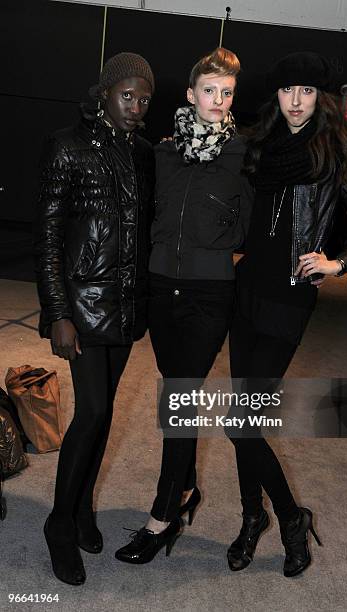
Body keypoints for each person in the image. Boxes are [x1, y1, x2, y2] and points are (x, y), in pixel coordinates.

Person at [225, 52, 347, 577]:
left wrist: (338, 262)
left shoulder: (334, 152)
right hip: (246, 288)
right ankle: (253, 517)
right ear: (276, 95)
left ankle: (290, 518)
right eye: (288, 91)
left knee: (241, 424)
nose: (296, 102)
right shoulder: (260, 144)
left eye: (308, 92)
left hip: (290, 296)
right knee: (242, 420)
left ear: (322, 98)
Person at [115, 47, 253, 564]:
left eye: (227, 92)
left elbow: (251, 225)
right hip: (159, 290)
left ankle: (162, 514)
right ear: (192, 94)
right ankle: (189, 487)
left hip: (208, 294)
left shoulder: (243, 153)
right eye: (210, 90)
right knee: (177, 391)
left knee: (178, 400)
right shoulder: (163, 153)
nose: (218, 100)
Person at [34, 52, 155, 585]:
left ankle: (83, 507)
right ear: (104, 92)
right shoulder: (67, 147)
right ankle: (59, 523)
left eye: (144, 98)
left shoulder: (144, 153)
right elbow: (49, 237)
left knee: (103, 417)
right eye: (127, 95)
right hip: (82, 306)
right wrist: (58, 311)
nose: (135, 106)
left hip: (125, 306)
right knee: (92, 412)